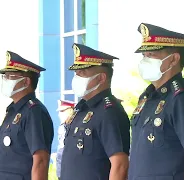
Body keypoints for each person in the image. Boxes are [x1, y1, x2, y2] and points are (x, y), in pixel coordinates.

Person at [128, 23, 184, 180]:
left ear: (173, 59)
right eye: (144, 56)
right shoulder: (147, 96)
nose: (145, 60)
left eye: (151, 55)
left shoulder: (182, 97)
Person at [60, 44, 130, 180]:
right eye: (76, 73)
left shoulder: (109, 112)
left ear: (101, 78)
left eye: (83, 73)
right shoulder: (81, 110)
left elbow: (120, 164)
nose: (77, 77)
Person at [0, 51, 54, 180]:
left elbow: (40, 159)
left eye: (10, 77)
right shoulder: (12, 111)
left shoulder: (34, 112)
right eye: (4, 77)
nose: (5, 81)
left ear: (26, 82)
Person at [55, 100, 75, 180]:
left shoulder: (73, 126)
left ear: (70, 111)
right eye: (59, 111)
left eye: (62, 111)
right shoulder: (62, 126)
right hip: (61, 163)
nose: (59, 114)